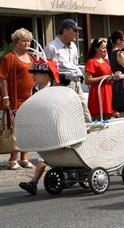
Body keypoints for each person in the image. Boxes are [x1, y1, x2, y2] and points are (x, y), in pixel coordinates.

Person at [19, 59, 59, 195]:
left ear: (46, 76)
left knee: (44, 155)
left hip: (52, 127)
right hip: (42, 126)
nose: (33, 76)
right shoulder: (35, 89)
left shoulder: (54, 90)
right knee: (43, 154)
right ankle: (34, 183)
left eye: (36, 74)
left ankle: (34, 182)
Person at [0, 28, 37, 170]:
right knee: (16, 129)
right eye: (24, 41)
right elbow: (2, 79)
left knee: (28, 128)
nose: (27, 43)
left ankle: (24, 158)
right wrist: (5, 97)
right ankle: (12, 160)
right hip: (15, 99)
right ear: (16, 42)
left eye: (28, 41)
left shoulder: (31, 57)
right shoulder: (8, 57)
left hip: (29, 98)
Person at [44, 19, 91, 122]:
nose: (77, 34)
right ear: (65, 31)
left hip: (76, 81)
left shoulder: (73, 46)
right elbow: (47, 69)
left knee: (83, 111)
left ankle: (88, 132)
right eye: (75, 31)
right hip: (62, 84)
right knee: (66, 114)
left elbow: (74, 64)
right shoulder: (51, 47)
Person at [84, 38, 120, 120]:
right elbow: (87, 80)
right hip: (98, 93)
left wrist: (114, 76)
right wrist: (103, 78)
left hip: (108, 92)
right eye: (103, 48)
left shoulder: (105, 61)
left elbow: (109, 76)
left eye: (105, 48)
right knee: (98, 118)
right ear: (96, 49)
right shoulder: (91, 62)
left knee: (108, 118)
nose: (105, 50)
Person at [107, 30, 124, 117]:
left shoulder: (111, 54)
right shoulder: (120, 54)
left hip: (118, 87)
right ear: (118, 41)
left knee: (123, 115)